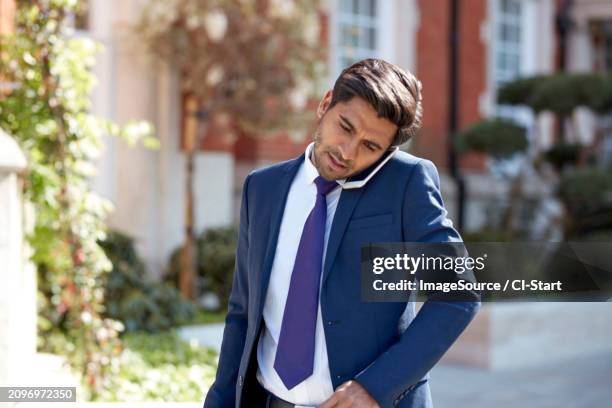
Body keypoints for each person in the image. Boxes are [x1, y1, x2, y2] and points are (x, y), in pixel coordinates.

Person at [203, 58, 480, 408]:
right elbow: (243, 310)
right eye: (345, 127)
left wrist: (375, 387)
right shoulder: (262, 188)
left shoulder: (405, 183)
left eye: (370, 146)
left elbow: (458, 293)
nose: (347, 152)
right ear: (325, 104)